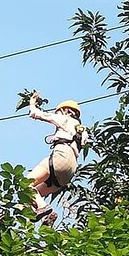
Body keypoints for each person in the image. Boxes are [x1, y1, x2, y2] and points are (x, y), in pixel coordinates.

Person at [27, 91, 87, 223]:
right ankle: (48, 215)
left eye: (59, 111)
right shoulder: (82, 131)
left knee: (24, 184)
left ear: (66, 110)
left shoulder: (66, 119)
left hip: (61, 156)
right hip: (70, 170)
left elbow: (36, 114)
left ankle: (43, 207)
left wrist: (32, 103)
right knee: (31, 195)